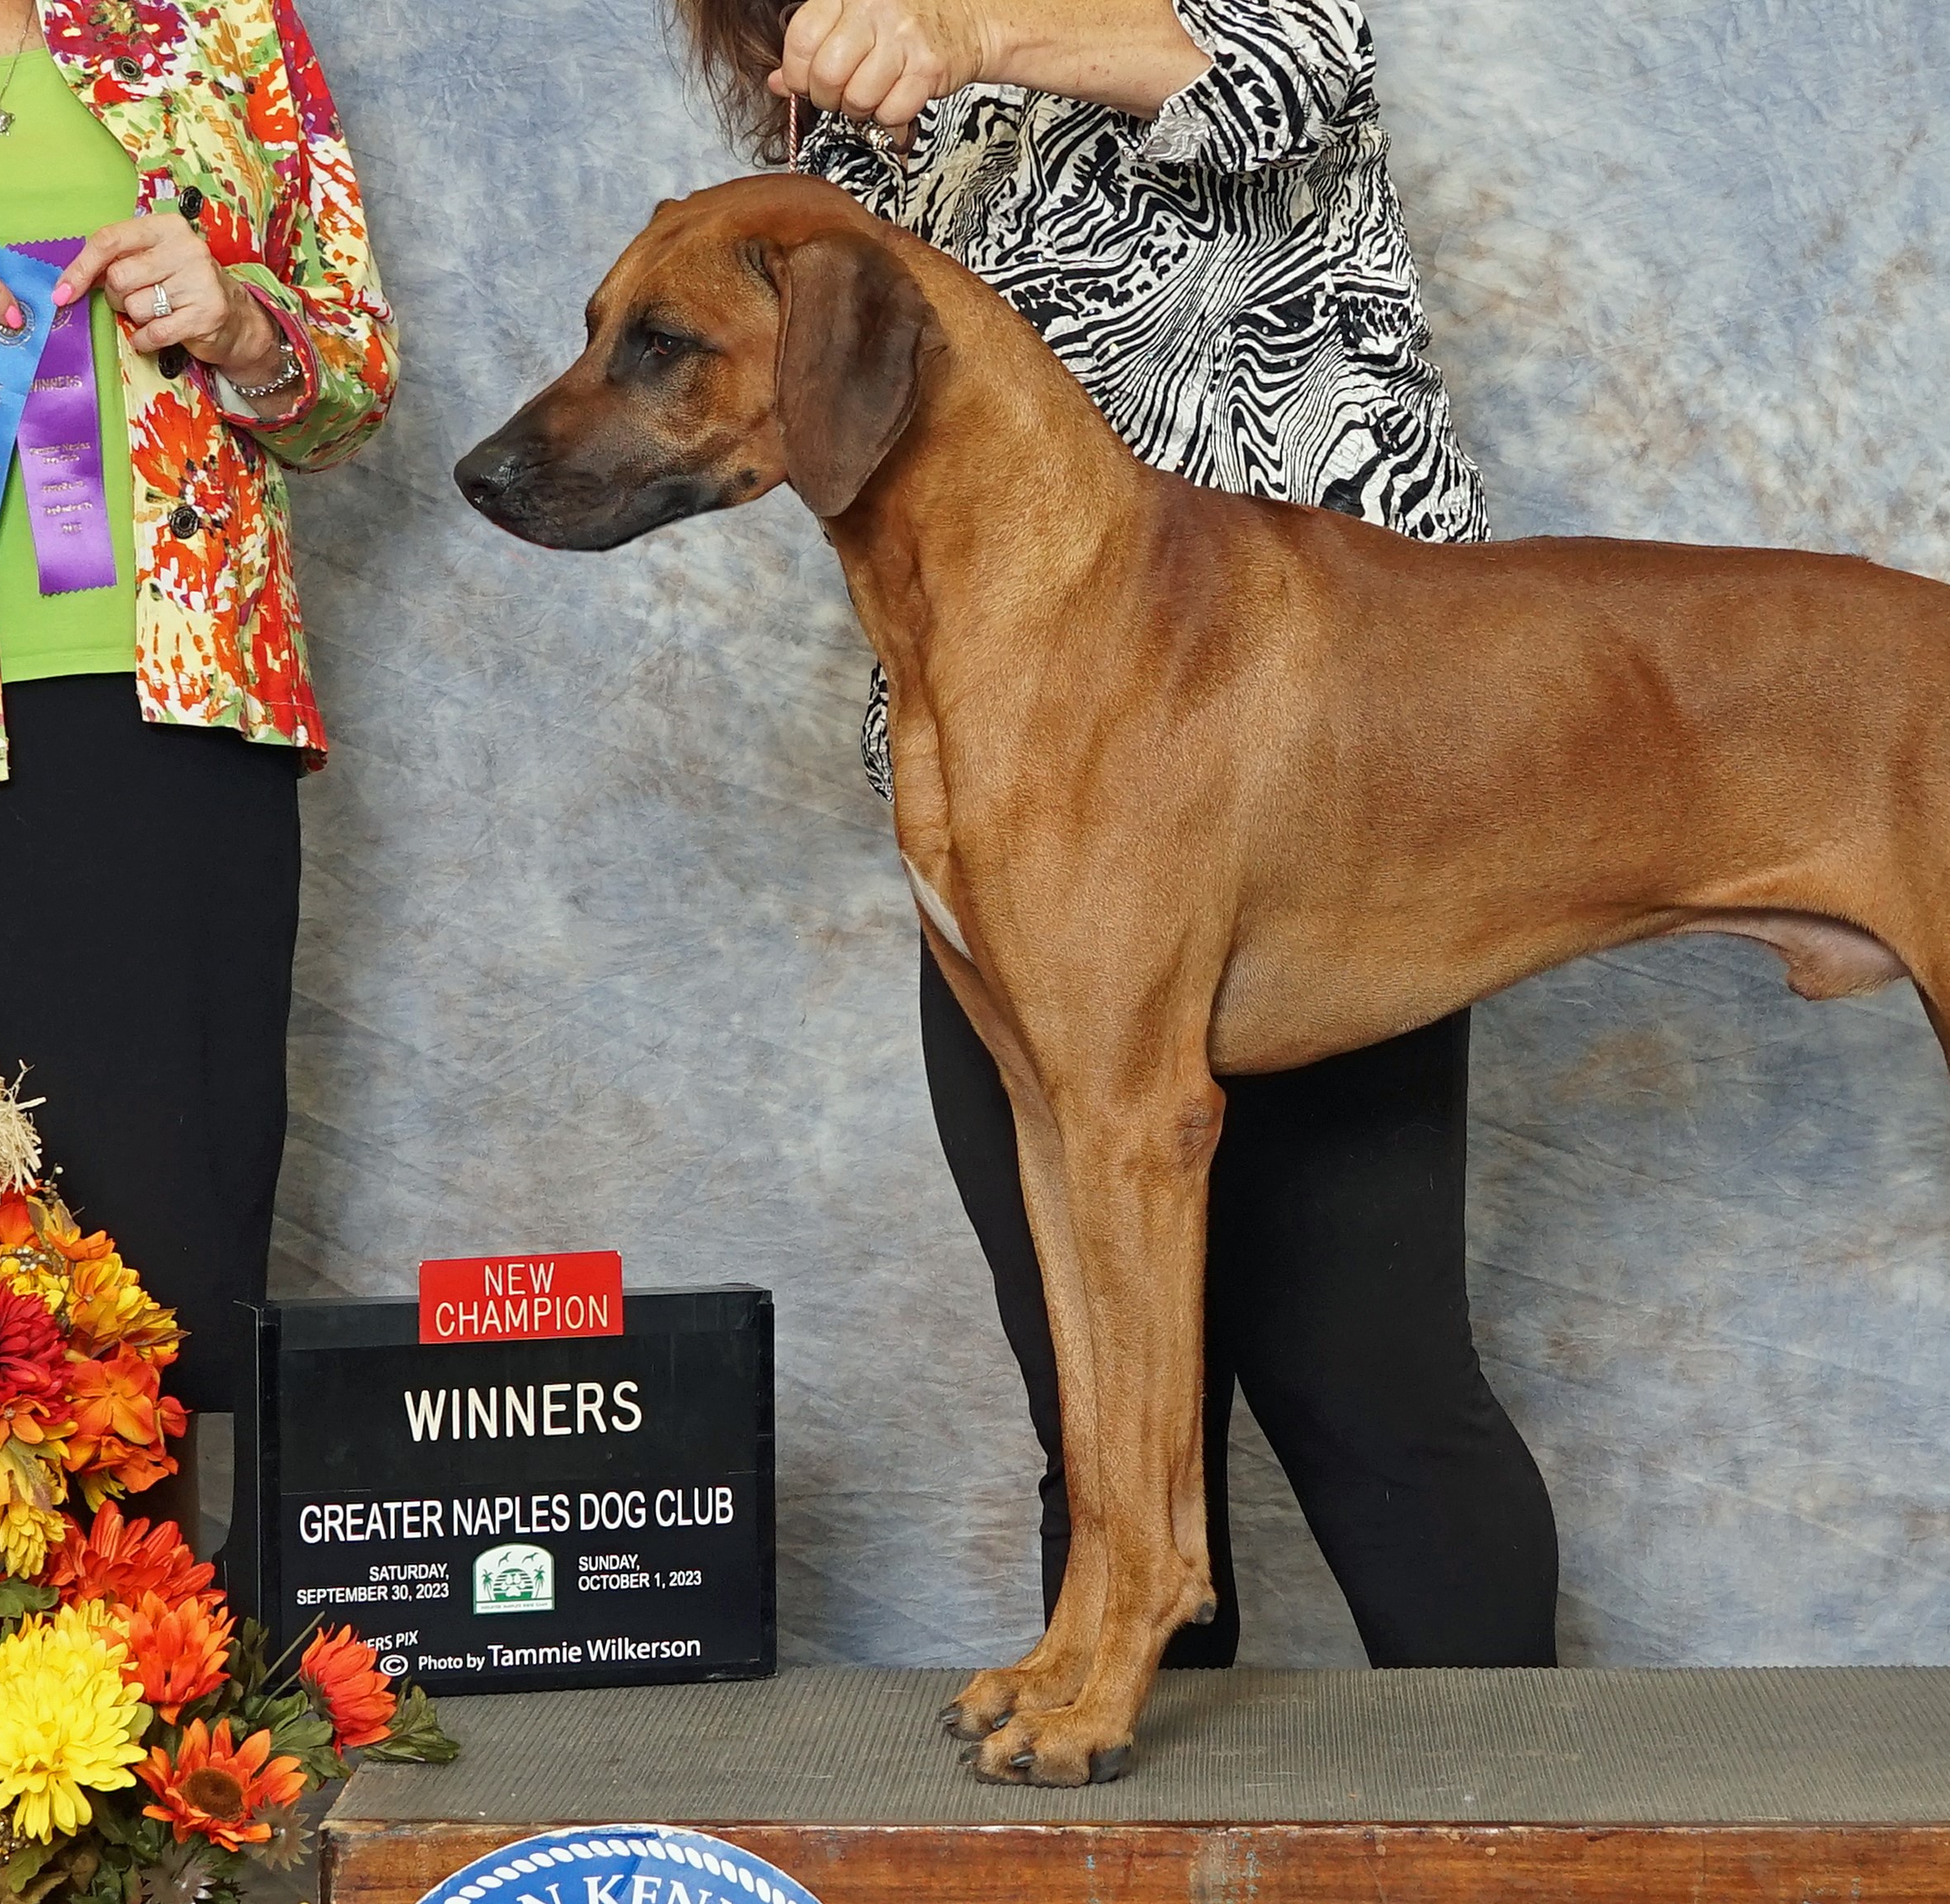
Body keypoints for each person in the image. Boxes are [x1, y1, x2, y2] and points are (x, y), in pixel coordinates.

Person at [684, 0, 1560, 1667]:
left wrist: (968, 33)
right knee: (1090, 1397)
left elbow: (1301, 71)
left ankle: (1501, 1829)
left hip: (1313, 764)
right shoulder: (847, 81)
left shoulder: (1004, 31)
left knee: (1372, 1388)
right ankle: (1112, 1739)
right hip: (996, 785)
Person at [0, 0, 393, 1602]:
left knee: (169, 1234)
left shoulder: (215, 24)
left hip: (184, 721)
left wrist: (241, 324)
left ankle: (155, 1683)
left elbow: (352, 384)